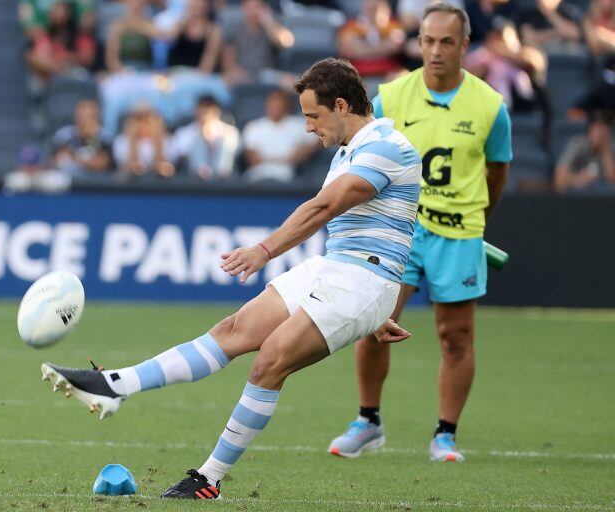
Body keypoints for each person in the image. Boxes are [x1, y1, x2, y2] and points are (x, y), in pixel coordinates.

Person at [40, 57, 421, 499]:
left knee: (271, 359)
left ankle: (209, 479)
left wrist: (265, 252)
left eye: (312, 116)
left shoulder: (386, 145)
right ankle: (115, 386)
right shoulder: (348, 151)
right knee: (233, 330)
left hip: (362, 280)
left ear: (341, 105)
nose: (308, 128)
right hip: (338, 270)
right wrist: (366, 314)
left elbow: (323, 209)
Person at [328, 3, 512, 463]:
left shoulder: (491, 106)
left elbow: (497, 172)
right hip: (399, 231)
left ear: (464, 46)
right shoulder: (391, 97)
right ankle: (367, 421)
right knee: (373, 323)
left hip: (458, 234)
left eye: (446, 42)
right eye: (427, 41)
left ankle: (445, 434)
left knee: (455, 336)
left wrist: (475, 218)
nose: (434, 51)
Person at [241, 88, 321, 182]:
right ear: (267, 104)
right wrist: (284, 159)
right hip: (258, 173)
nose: (276, 105)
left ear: (287, 104)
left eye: (280, 102)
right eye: (273, 101)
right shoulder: (253, 127)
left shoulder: (299, 125)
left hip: (289, 174)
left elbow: (320, 140)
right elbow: (253, 158)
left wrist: (305, 150)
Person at [171, 95, 240, 180]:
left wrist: (212, 142)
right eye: (202, 108)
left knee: (224, 141)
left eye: (209, 109)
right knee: (197, 142)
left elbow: (235, 154)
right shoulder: (183, 133)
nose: (205, 113)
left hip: (224, 179)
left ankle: (218, 177)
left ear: (218, 111)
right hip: (193, 180)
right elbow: (179, 158)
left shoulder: (230, 131)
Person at [553, 111, 615, 193]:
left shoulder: (612, 147)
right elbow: (559, 180)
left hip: (604, 199)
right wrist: (580, 179)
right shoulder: (578, 144)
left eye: (603, 128)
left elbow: (613, 181)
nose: (600, 133)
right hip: (579, 198)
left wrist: (606, 151)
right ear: (590, 129)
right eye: (597, 127)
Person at [52, 100, 112, 176]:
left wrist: (93, 136)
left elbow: (102, 164)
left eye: (90, 117)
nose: (86, 121)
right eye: (83, 117)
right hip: (70, 181)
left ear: (97, 118)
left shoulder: (104, 136)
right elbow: (57, 160)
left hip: (98, 182)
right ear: (76, 117)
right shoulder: (65, 135)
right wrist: (86, 162)